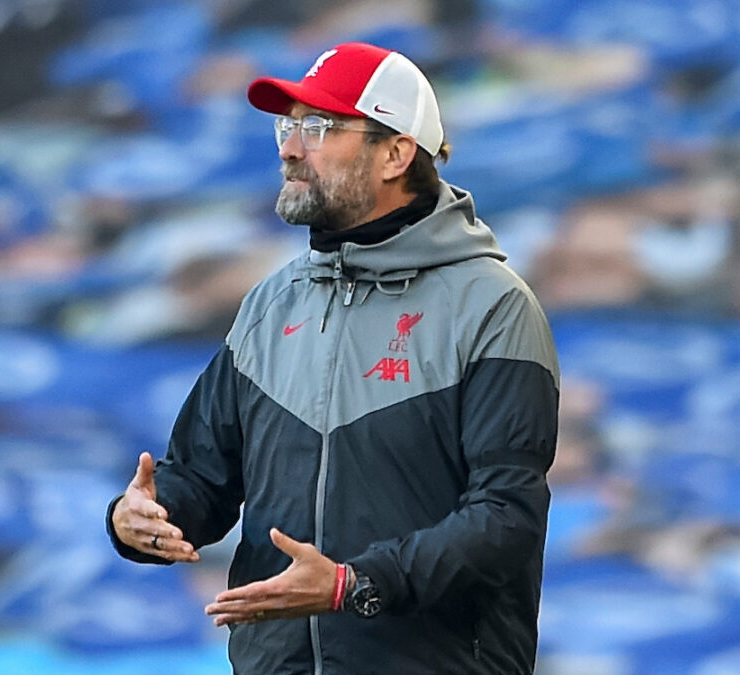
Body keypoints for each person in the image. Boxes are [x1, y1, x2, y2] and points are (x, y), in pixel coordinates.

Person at [107, 42, 559, 674]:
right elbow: (203, 480)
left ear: (396, 154)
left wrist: (355, 586)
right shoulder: (271, 302)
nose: (291, 147)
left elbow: (506, 519)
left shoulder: (491, 305)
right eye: (286, 126)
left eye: (317, 127)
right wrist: (144, 518)